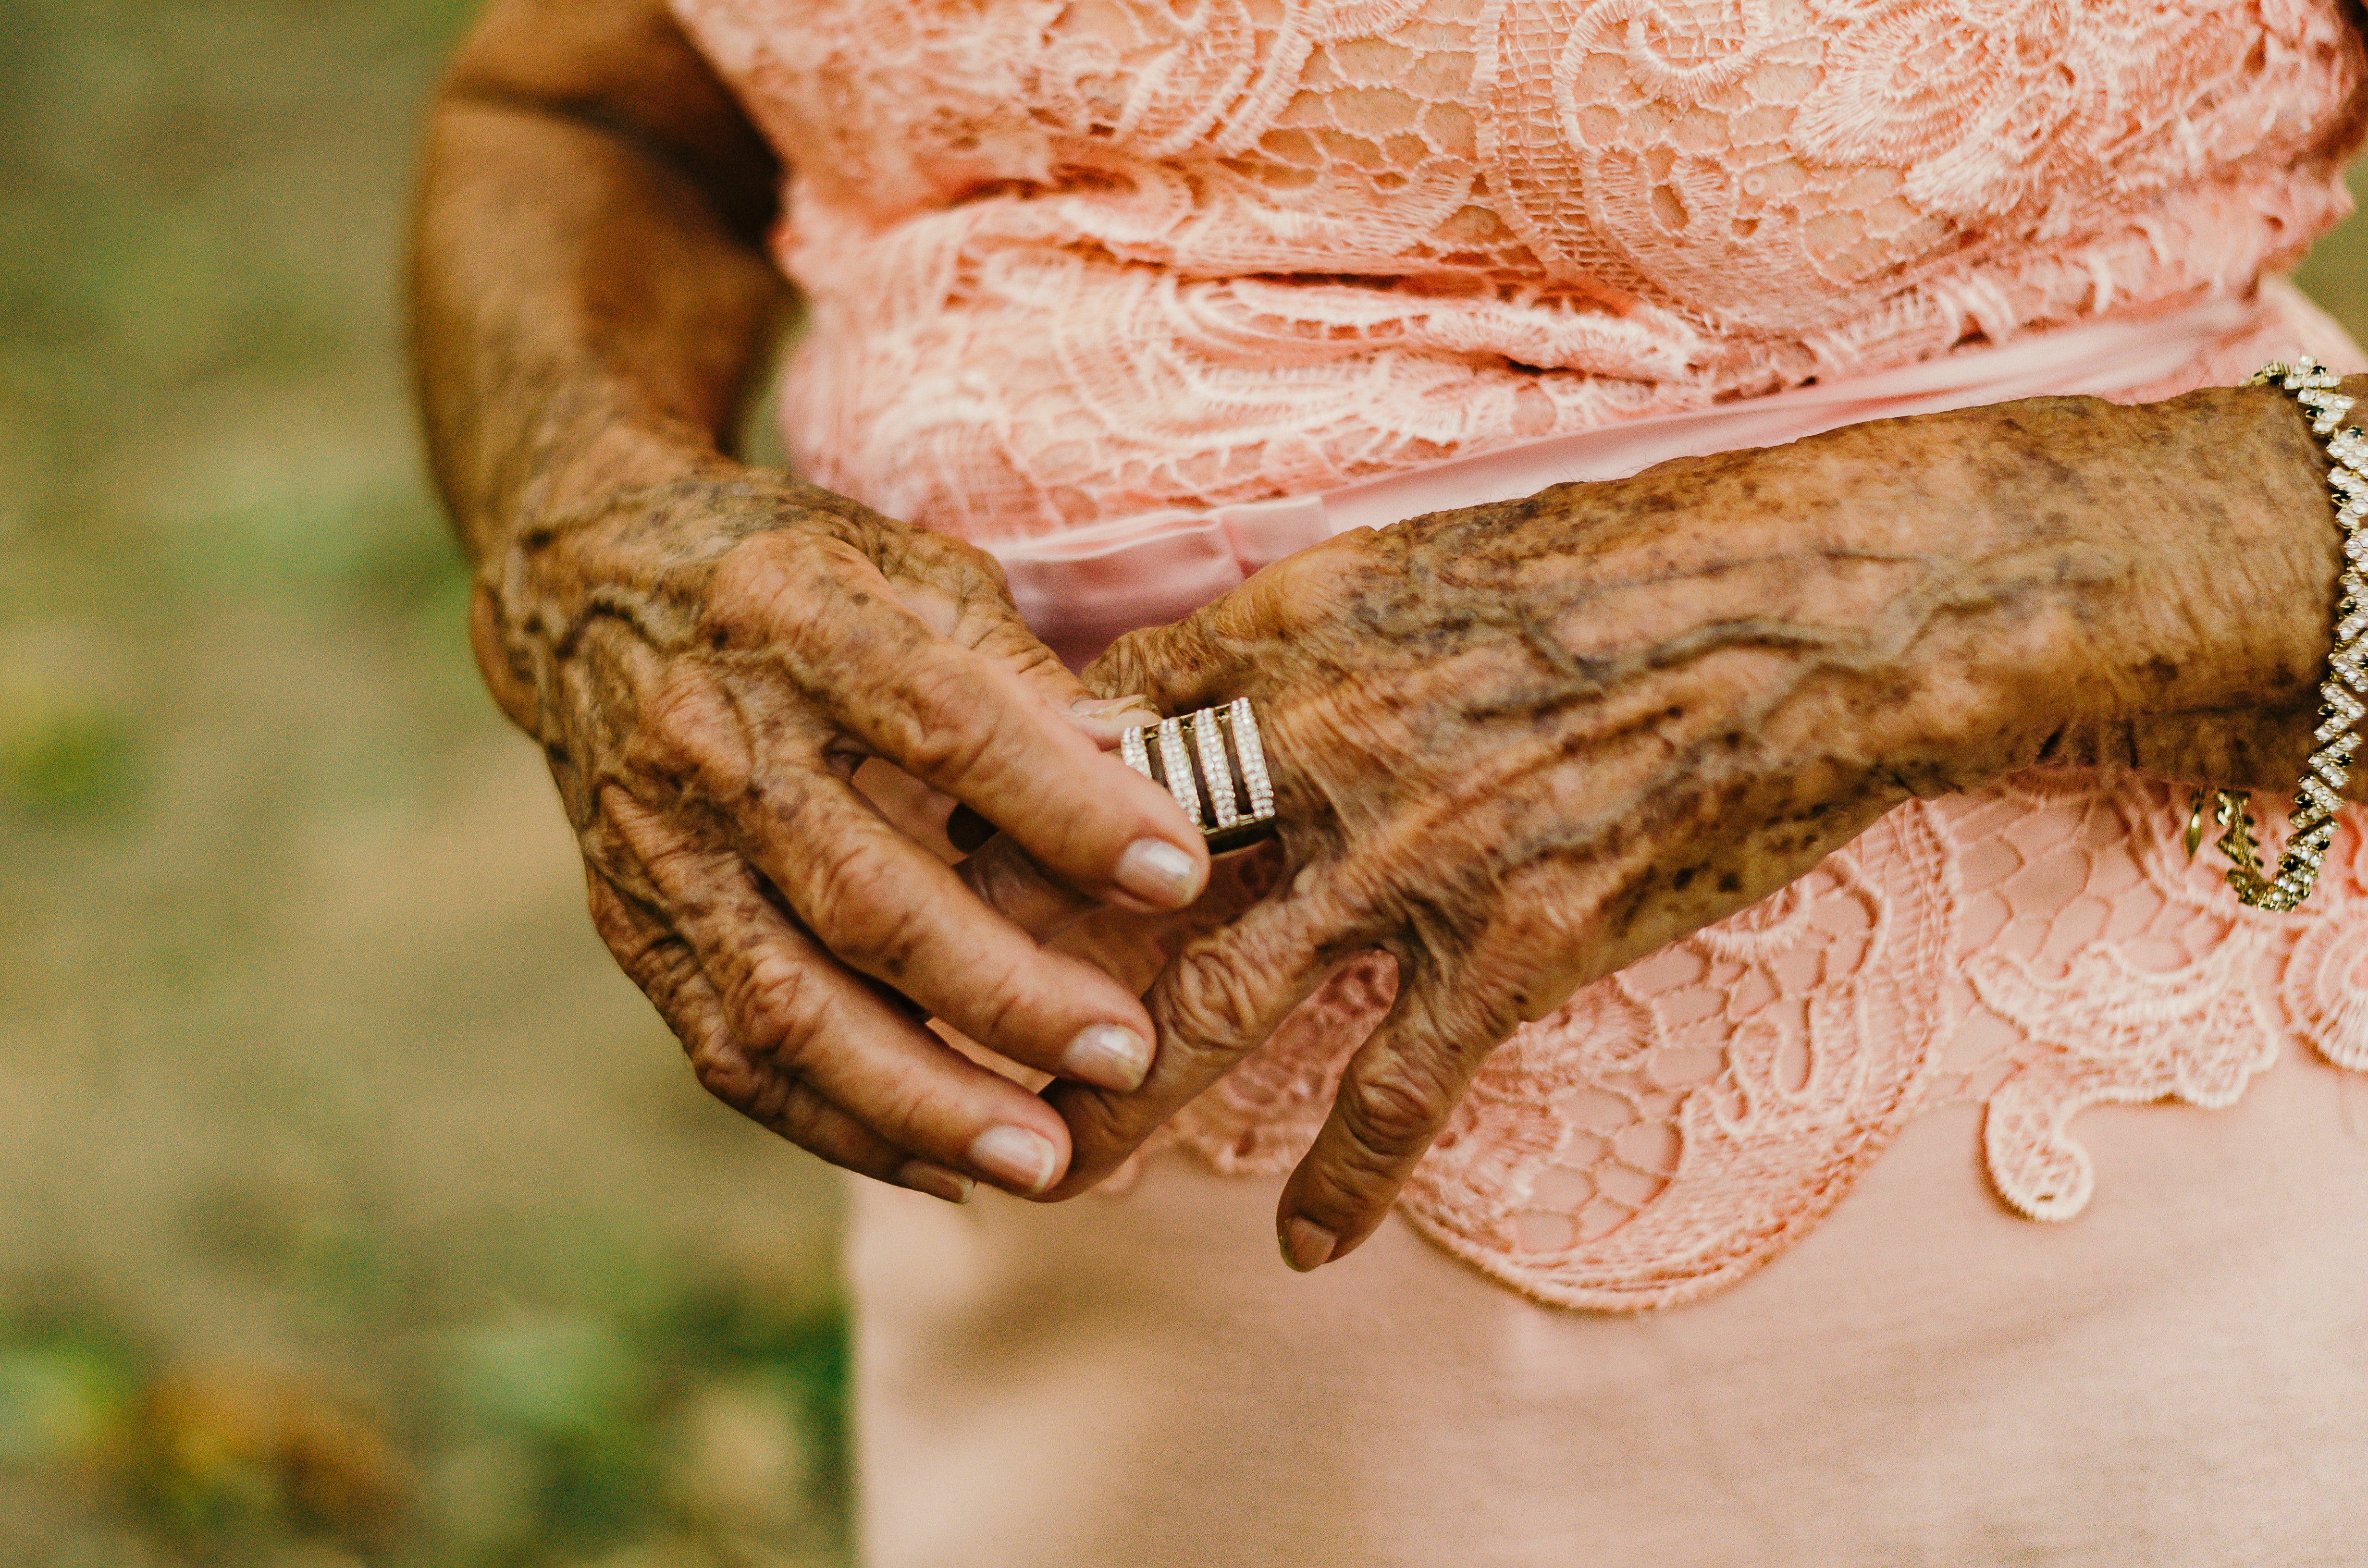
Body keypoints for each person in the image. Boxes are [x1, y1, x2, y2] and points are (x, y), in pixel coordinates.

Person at [411, 2, 2368, 1562]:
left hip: (2082, 1295)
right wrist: (579, 515)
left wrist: (1925, 586)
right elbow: (588, 103)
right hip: (1096, 1311)